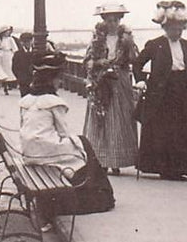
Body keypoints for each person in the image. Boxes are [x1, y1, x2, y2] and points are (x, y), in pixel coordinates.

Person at [19, 50, 115, 228]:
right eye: (58, 78)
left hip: (29, 152)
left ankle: (92, 187)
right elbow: (64, 133)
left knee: (82, 145)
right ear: (50, 79)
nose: (60, 82)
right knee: (84, 144)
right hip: (46, 152)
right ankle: (101, 192)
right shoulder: (54, 102)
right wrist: (80, 146)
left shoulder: (26, 100)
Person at [132, 1, 187, 180]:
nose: (177, 33)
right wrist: (141, 81)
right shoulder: (155, 44)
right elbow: (137, 64)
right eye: (173, 29)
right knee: (165, 131)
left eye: (180, 29)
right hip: (161, 93)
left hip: (184, 90)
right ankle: (168, 169)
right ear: (165, 27)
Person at [82, 2, 139, 175]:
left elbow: (134, 59)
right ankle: (101, 159)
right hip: (101, 82)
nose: (112, 23)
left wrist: (129, 46)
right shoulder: (97, 40)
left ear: (120, 21)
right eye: (109, 20)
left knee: (120, 120)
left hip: (120, 82)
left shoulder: (126, 39)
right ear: (104, 21)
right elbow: (87, 61)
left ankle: (117, 161)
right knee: (101, 120)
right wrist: (99, 62)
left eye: (115, 20)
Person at [10, 32, 36, 96]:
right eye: (25, 42)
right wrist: (20, 78)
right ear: (22, 42)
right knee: (25, 100)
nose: (27, 43)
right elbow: (14, 68)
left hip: (35, 81)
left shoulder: (36, 52)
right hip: (23, 82)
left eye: (29, 41)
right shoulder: (17, 54)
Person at [0, 26, 18, 91]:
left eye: (8, 31)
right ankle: (3, 83)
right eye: (6, 31)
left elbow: (15, 48)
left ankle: (10, 84)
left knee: (9, 69)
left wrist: (15, 55)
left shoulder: (10, 39)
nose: (7, 32)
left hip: (8, 54)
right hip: (2, 55)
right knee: (2, 69)